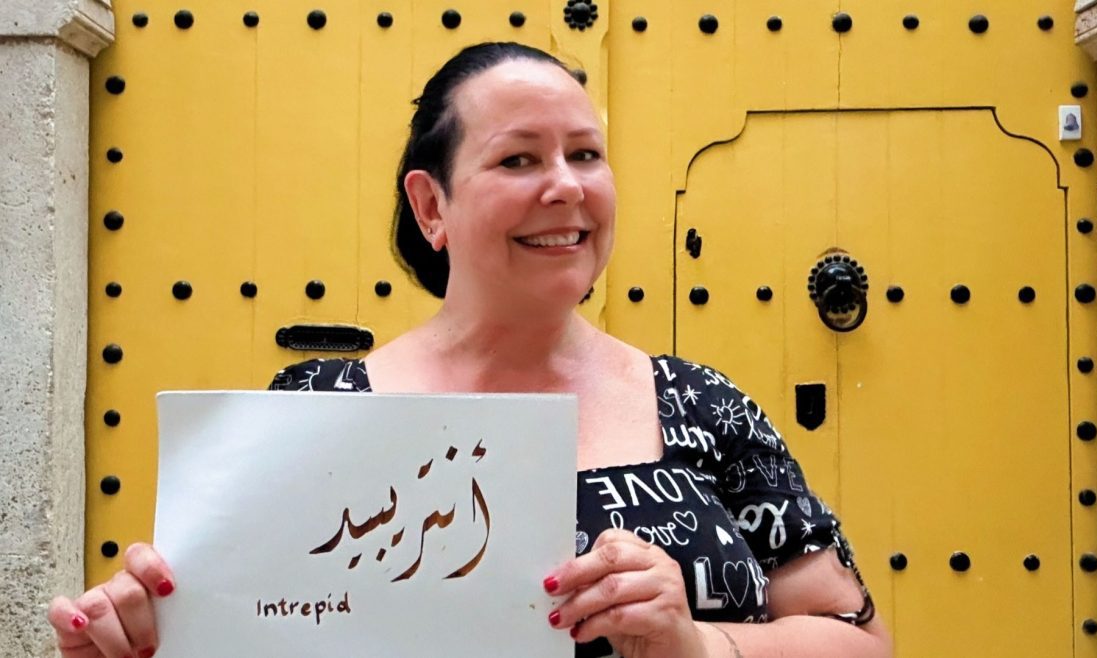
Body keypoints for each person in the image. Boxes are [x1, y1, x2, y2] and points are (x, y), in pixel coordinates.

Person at [49, 42, 892, 658]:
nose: (566, 186)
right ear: (431, 206)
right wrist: (149, 638)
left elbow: (861, 642)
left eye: (586, 155)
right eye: (518, 158)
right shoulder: (315, 414)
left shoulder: (701, 408)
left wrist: (702, 647)